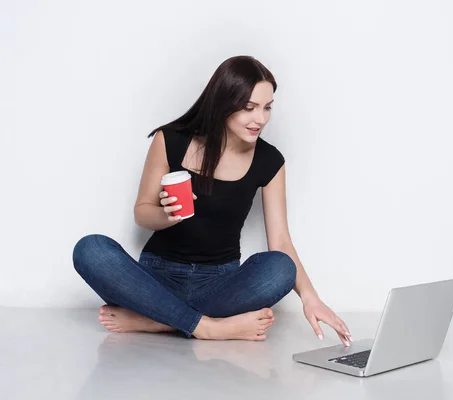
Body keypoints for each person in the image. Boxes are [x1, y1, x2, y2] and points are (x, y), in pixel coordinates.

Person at [72, 55, 352, 346]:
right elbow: (142, 212)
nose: (261, 119)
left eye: (267, 107)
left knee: (280, 267)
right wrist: (167, 216)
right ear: (223, 103)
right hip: (155, 277)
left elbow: (280, 241)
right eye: (249, 108)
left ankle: (156, 320)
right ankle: (208, 327)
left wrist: (311, 299)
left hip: (220, 283)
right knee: (90, 249)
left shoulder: (270, 160)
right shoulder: (170, 140)